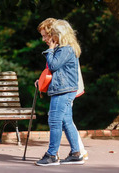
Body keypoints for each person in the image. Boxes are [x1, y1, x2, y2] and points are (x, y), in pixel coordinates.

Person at [34, 19, 85, 166]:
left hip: (62, 91)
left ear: (59, 35)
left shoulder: (65, 49)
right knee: (66, 121)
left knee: (54, 120)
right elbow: (56, 71)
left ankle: (51, 155)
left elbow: (54, 65)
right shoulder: (68, 48)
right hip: (65, 89)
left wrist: (50, 49)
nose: (49, 39)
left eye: (52, 35)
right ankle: (76, 153)